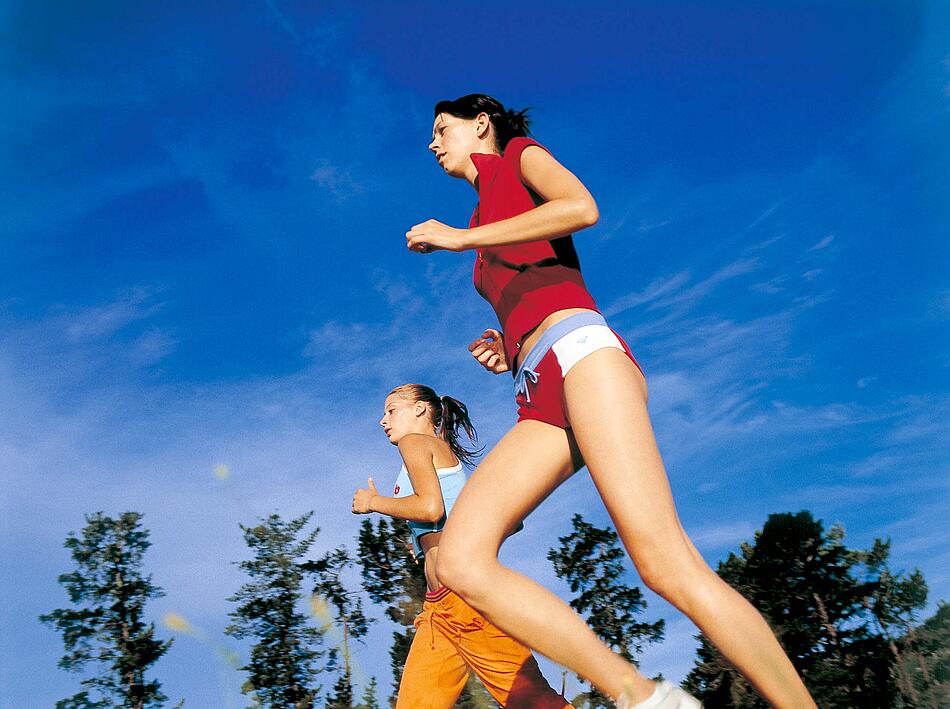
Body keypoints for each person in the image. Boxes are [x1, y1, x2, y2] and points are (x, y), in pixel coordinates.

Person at [405, 94, 818, 709]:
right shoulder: (485, 215)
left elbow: (581, 207)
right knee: (461, 561)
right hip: (537, 383)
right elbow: (536, 288)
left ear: (481, 125)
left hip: (584, 357)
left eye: (443, 130)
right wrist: (510, 347)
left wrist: (465, 239)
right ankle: (645, 697)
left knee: (665, 565)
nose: (433, 144)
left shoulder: (518, 158)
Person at [351, 383, 571, 709]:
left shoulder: (415, 443)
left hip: (466, 601)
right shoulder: (433, 450)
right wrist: (423, 544)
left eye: (391, 410)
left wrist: (374, 502)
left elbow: (430, 509)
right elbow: (489, 519)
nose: (383, 420)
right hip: (439, 611)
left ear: (420, 409)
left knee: (534, 703)